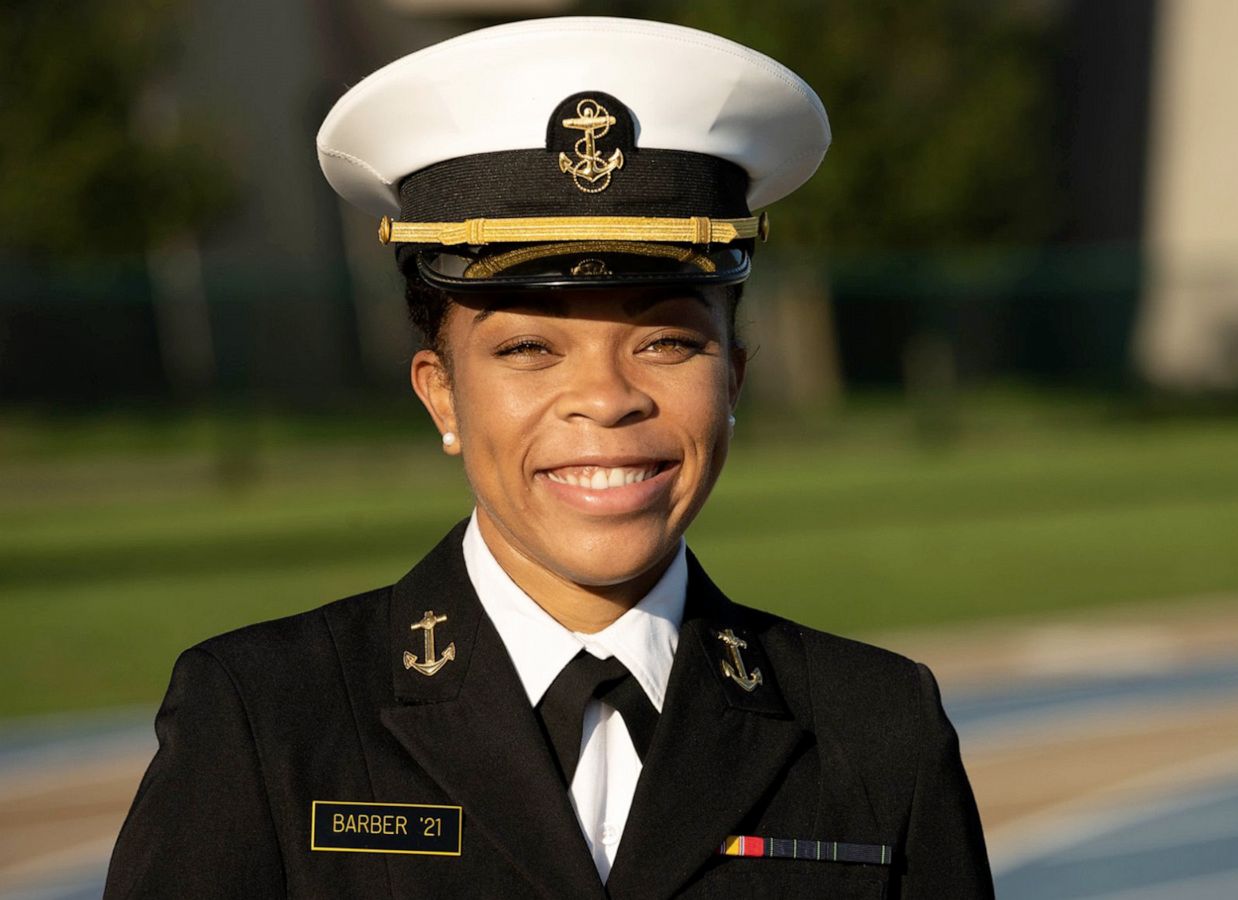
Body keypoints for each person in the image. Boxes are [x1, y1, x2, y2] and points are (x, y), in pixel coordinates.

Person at [106, 16, 992, 899]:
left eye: (668, 343)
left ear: (734, 379)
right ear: (441, 393)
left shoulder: (877, 729)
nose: (606, 399)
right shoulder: (267, 718)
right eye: (530, 348)